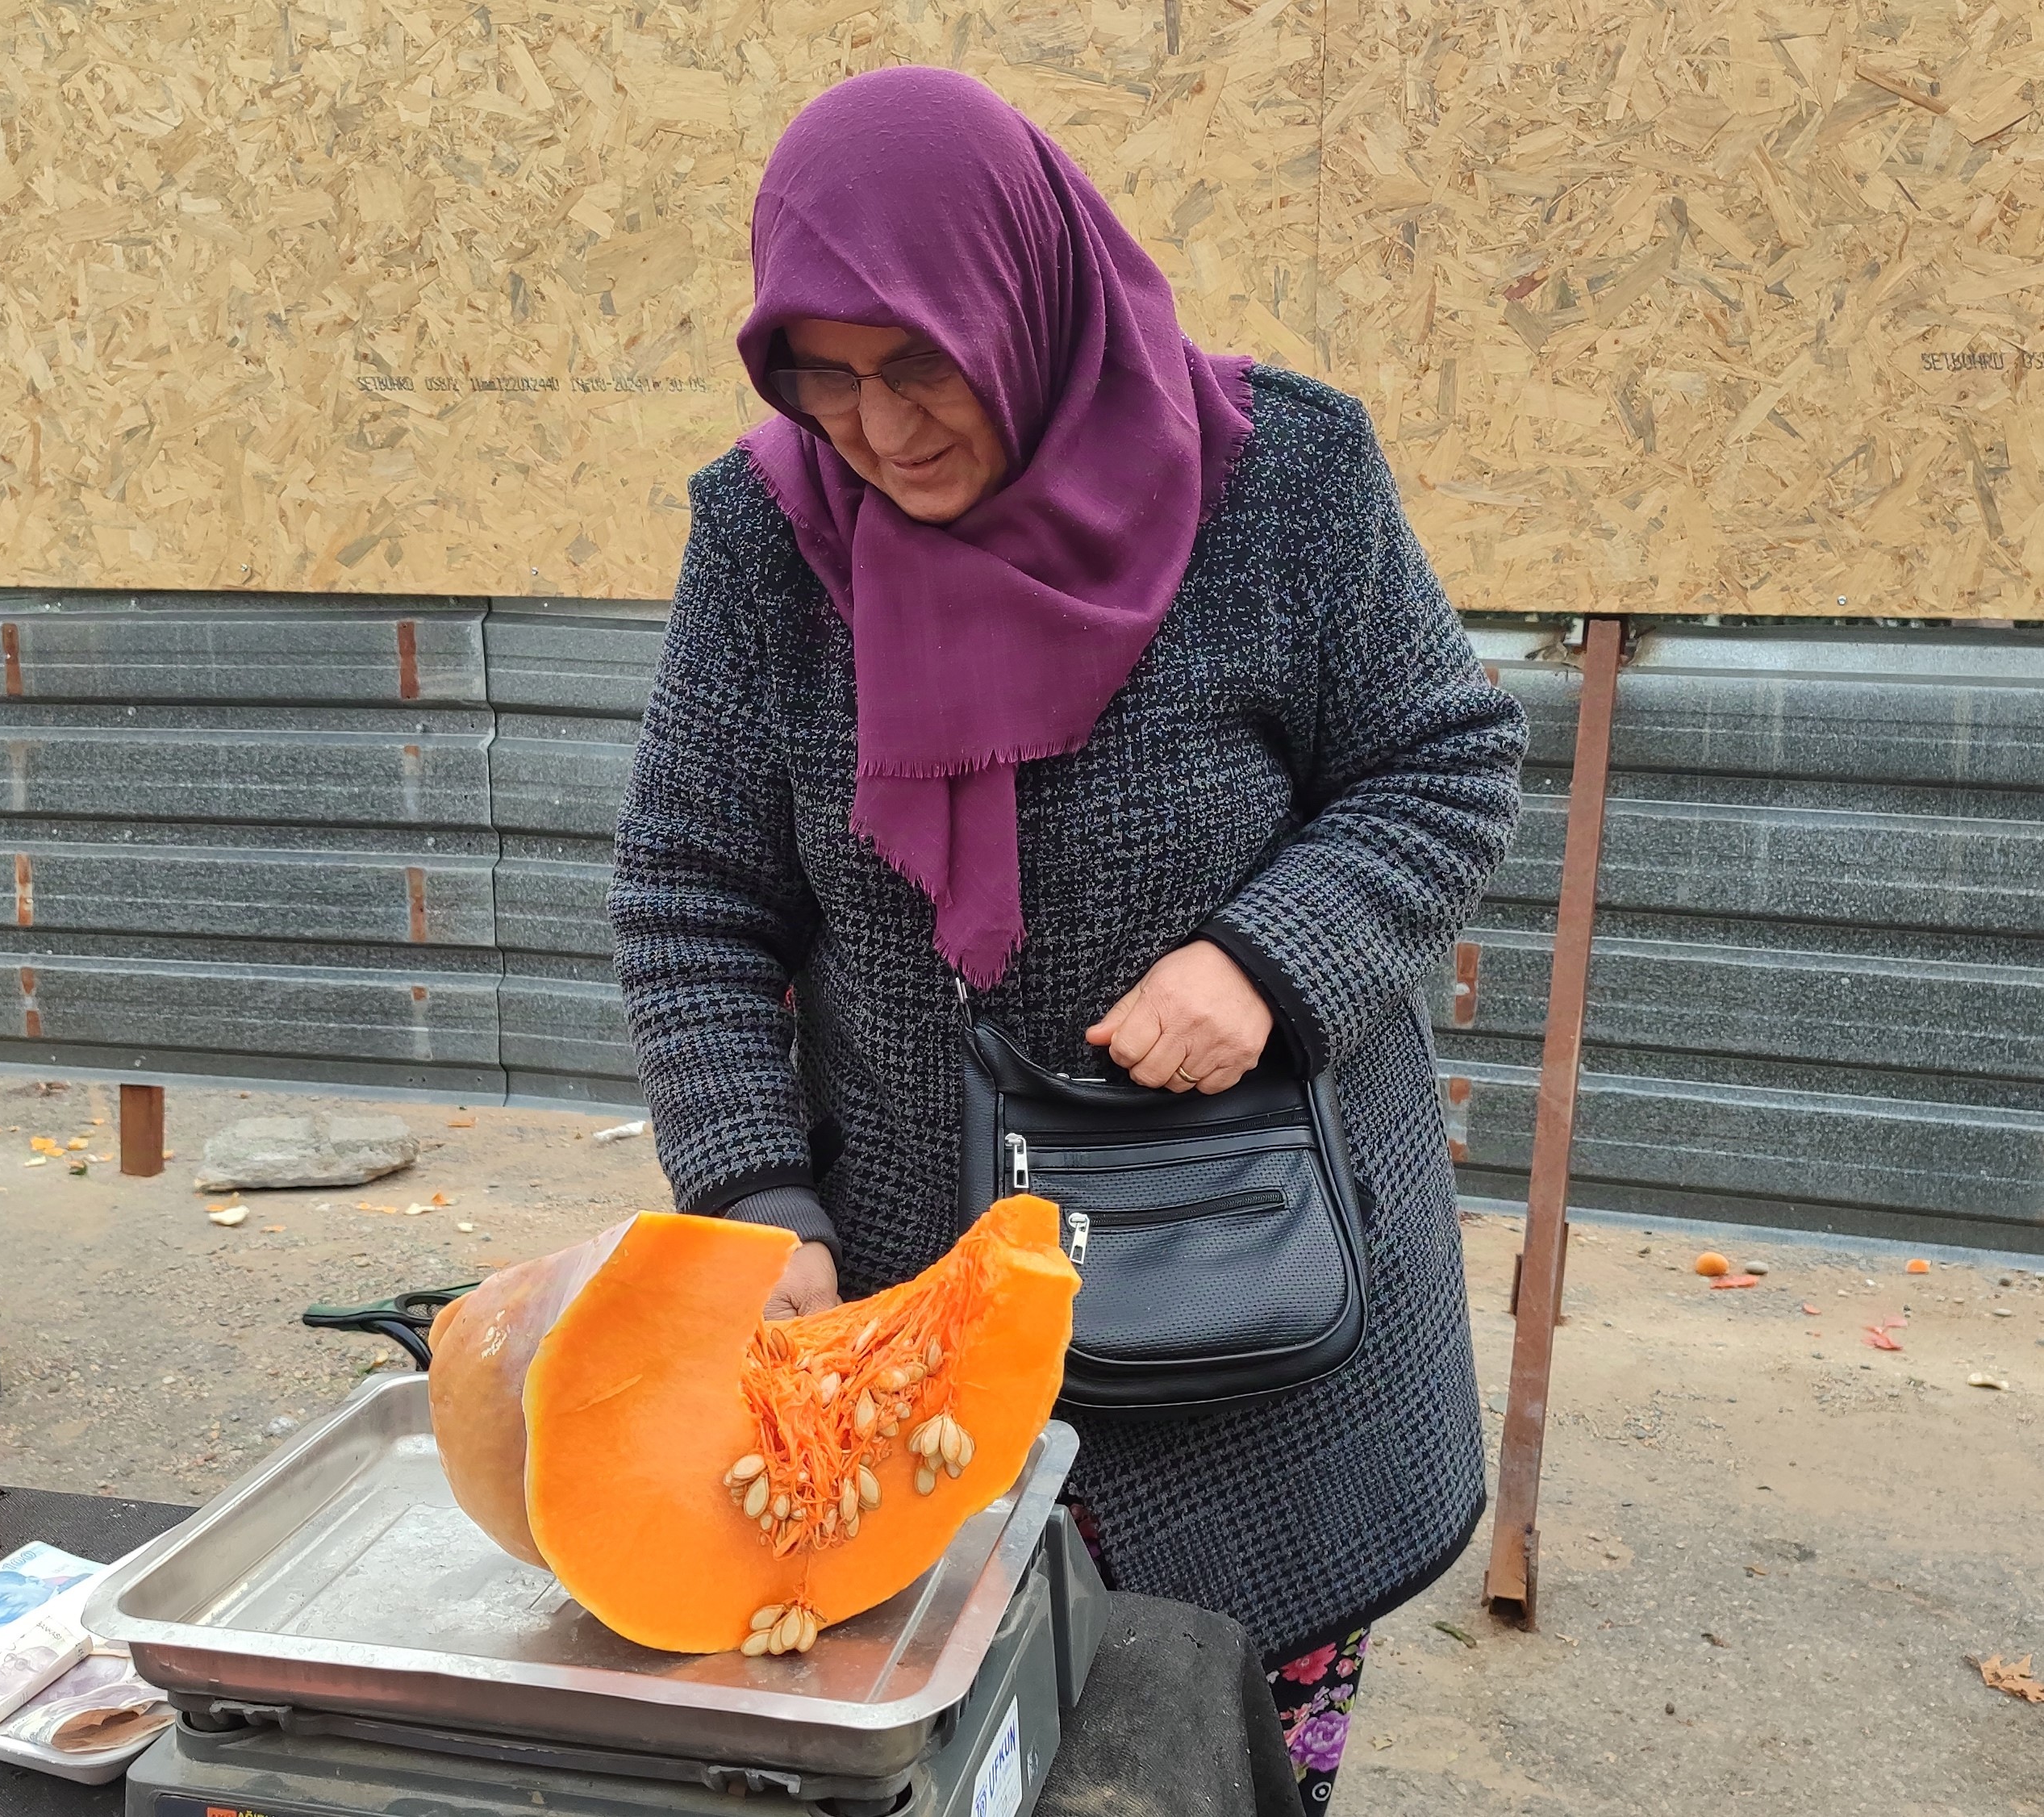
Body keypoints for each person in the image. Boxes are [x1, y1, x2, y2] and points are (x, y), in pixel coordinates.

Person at [608, 66, 1526, 1807]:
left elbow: (1445, 758)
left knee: (1218, 1757)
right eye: (827, 376)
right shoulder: (769, 537)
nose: (876, 431)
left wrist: (1268, 958)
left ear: (1022, 301)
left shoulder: (1288, 482)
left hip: (1261, 1284)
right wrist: (750, 1194)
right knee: (965, 1748)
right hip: (922, 1324)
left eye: (918, 363)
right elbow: (693, 893)